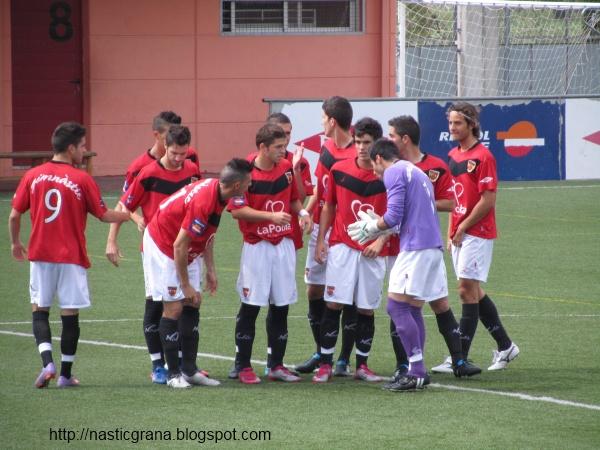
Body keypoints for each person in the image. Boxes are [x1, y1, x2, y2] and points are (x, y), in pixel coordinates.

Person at [8, 122, 130, 388]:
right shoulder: (82, 178)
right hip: (71, 257)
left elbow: (14, 214)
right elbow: (104, 215)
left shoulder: (33, 175)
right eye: (83, 146)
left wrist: (16, 243)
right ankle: (64, 375)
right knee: (70, 314)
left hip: (40, 255)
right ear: (71, 147)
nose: (85, 151)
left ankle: (47, 363)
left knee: (39, 310)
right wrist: (130, 214)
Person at [143, 158, 253, 388]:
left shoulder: (219, 194)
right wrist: (184, 284)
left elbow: (206, 233)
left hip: (183, 246)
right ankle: (173, 374)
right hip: (163, 244)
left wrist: (210, 269)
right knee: (173, 307)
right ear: (236, 186)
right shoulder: (203, 201)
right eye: (248, 183)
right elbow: (179, 246)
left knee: (194, 301)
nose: (250, 186)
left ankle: (189, 370)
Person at [348, 138, 447, 392]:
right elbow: (405, 215)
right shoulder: (415, 171)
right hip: (430, 246)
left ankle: (415, 371)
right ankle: (418, 371)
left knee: (396, 307)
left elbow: (394, 215)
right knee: (412, 308)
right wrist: (380, 223)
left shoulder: (393, 172)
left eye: (373, 164)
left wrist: (372, 227)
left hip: (416, 247)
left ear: (379, 158)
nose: (374, 171)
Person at [387, 116, 481, 379]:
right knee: (403, 304)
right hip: (402, 246)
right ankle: (403, 365)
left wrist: (420, 200)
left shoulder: (435, 166)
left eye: (392, 135)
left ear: (405, 139)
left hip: (424, 245)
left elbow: (450, 203)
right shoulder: (392, 168)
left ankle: (459, 361)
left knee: (438, 302)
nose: (388, 139)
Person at [108, 125, 201, 384]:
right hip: (156, 250)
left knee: (186, 302)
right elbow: (124, 206)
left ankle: (183, 362)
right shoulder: (148, 173)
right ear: (165, 146)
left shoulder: (192, 170)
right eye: (174, 153)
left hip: (184, 246)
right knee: (156, 303)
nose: (179, 158)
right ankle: (158, 364)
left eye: (183, 153)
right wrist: (111, 240)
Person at [430, 102, 519, 372]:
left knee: (465, 291)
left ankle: (459, 357)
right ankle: (505, 347)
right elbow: (455, 199)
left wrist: (463, 226)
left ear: (471, 124)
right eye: (450, 123)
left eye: (457, 123)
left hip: (477, 232)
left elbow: (488, 199)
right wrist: (450, 231)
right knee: (474, 291)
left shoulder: (484, 157)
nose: (452, 128)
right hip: (460, 232)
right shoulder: (454, 156)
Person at [228, 112, 314, 379]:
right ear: (262, 147)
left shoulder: (287, 168)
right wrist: (270, 217)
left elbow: (293, 200)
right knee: (251, 305)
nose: (283, 151)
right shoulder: (243, 172)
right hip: (257, 247)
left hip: (283, 244)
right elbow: (237, 211)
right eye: (278, 147)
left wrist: (303, 214)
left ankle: (275, 364)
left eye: (284, 145)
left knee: (281, 304)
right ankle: (241, 365)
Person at [312, 117, 394, 383]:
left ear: (378, 145)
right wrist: (322, 240)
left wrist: (380, 241)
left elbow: (398, 214)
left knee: (366, 309)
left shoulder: (390, 175)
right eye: (358, 141)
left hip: (373, 250)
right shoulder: (338, 169)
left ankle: (362, 365)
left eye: (366, 143)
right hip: (342, 247)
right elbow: (328, 206)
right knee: (334, 303)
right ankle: (325, 364)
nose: (360, 147)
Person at [296, 96, 358, 377]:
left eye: (323, 118)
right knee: (314, 288)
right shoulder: (327, 147)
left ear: (332, 121)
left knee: (346, 295)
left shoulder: (358, 152)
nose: (321, 123)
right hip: (321, 224)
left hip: (344, 230)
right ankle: (322, 351)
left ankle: (344, 358)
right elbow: (321, 191)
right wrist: (306, 213)